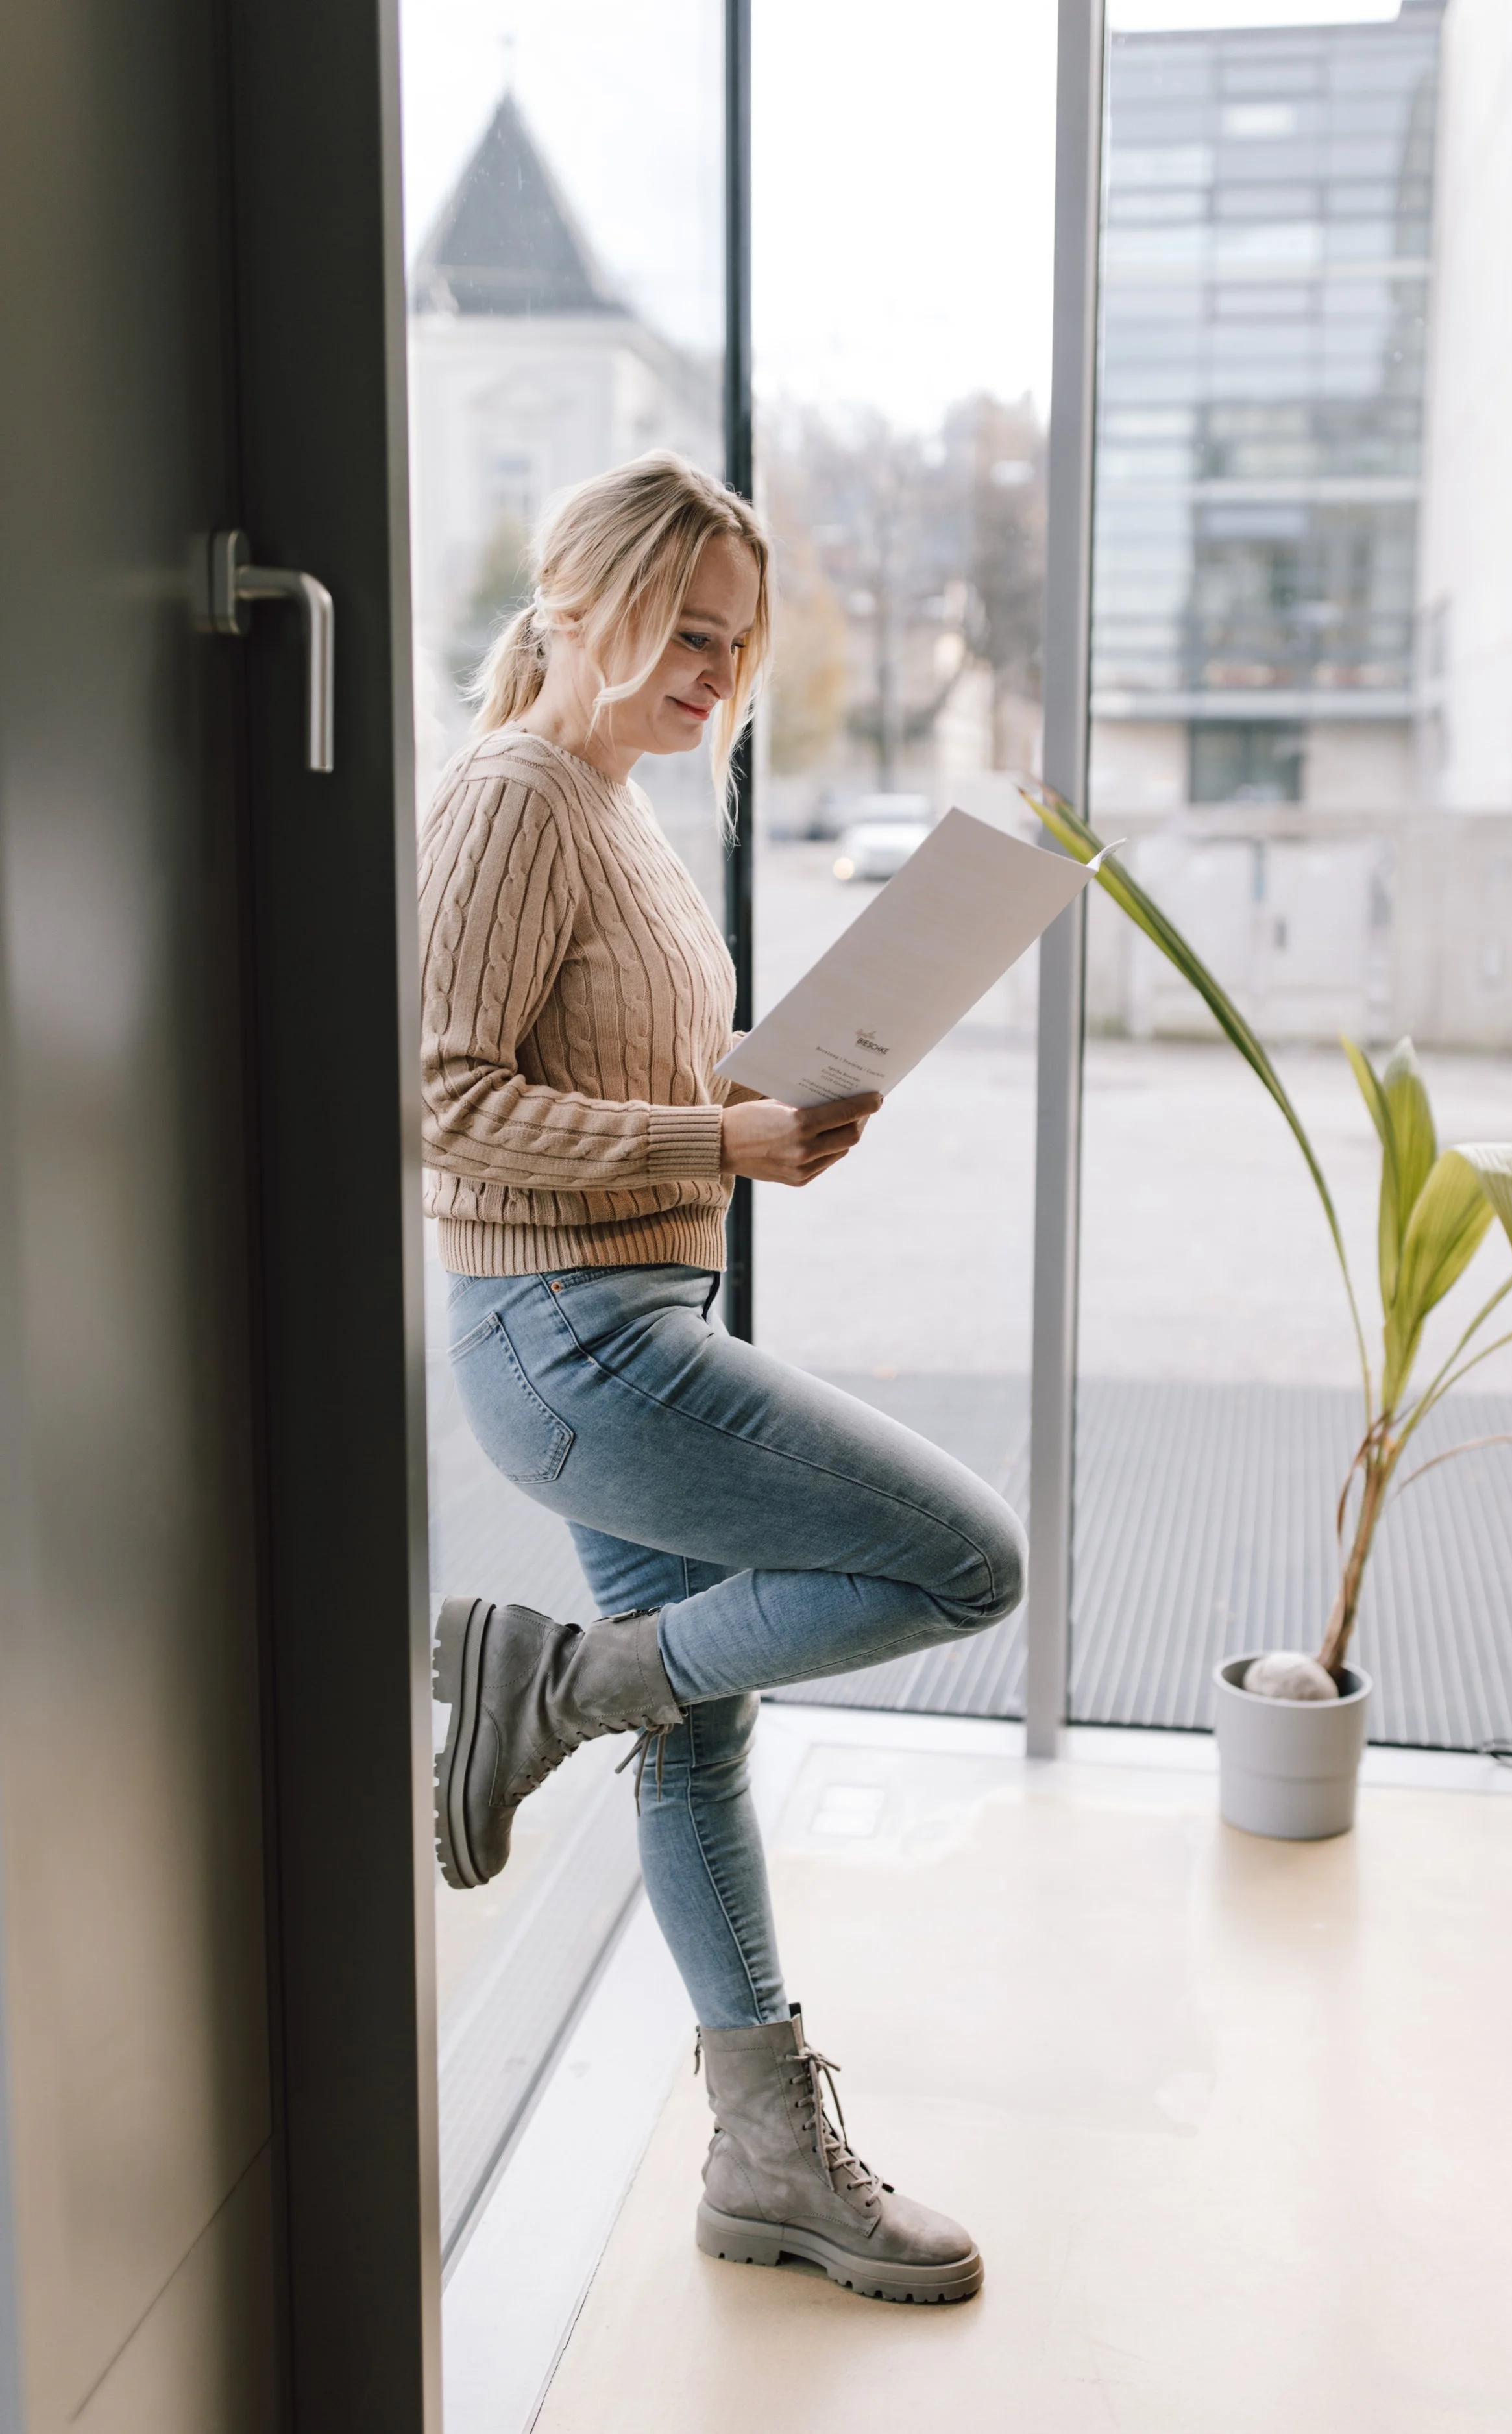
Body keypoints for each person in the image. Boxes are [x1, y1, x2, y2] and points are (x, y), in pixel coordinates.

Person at [420, 451, 1026, 2305]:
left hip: (629, 1321)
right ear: (580, 597)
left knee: (698, 1735)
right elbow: (438, 1099)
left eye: (738, 644)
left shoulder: (616, 806)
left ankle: (764, 2155)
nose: (715, 673)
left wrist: (756, 1125)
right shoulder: (521, 793)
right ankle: (561, 1681)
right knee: (964, 1560)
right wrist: (716, 1135)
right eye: (688, 632)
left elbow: (635, 1099)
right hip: (574, 1340)